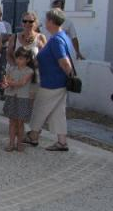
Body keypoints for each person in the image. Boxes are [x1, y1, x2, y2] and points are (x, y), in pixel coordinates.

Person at [24, 9, 74, 152]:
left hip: (52, 82)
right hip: (58, 82)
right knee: (58, 112)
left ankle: (33, 136)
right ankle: (62, 142)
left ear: (52, 22)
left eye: (46, 20)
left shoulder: (57, 39)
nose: (45, 23)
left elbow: (64, 62)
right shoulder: (63, 36)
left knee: (40, 108)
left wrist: (69, 75)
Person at [2, 47, 35, 152]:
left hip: (23, 99)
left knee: (20, 123)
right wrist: (5, 84)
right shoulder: (11, 69)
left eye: (21, 58)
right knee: (12, 121)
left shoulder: (29, 71)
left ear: (27, 60)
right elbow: (7, 80)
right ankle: (11, 143)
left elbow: (22, 83)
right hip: (12, 97)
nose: (18, 61)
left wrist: (10, 83)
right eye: (17, 58)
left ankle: (19, 143)